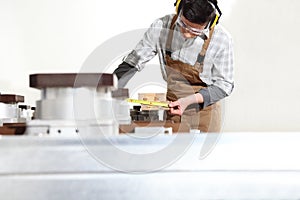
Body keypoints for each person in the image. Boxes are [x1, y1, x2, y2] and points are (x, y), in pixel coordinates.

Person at [113, 0, 234, 132]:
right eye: (183, 24)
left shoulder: (222, 40)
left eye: (194, 31)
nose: (186, 34)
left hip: (204, 113)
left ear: (211, 22)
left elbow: (225, 84)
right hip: (173, 111)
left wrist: (189, 100)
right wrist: (112, 85)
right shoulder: (162, 27)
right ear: (179, 8)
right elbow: (134, 60)